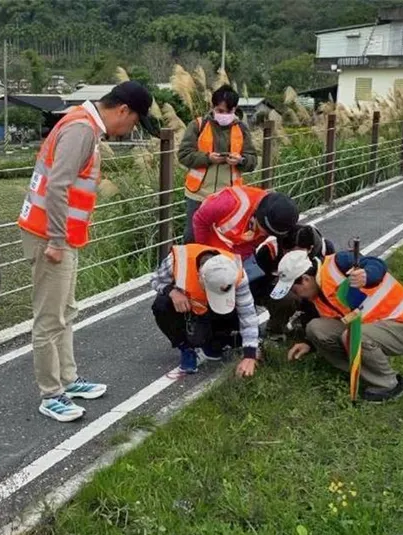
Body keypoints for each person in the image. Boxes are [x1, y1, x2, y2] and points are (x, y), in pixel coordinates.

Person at [18, 81, 161, 422]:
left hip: (62, 236)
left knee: (65, 311)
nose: (130, 130)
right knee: (49, 318)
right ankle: (50, 394)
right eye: (134, 122)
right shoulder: (81, 129)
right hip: (49, 236)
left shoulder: (84, 125)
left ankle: (68, 379)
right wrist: (55, 239)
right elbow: (57, 185)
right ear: (122, 110)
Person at [277, 249, 403, 402]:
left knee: (353, 335)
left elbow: (376, 264)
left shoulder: (339, 262)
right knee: (315, 328)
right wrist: (309, 344)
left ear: (305, 279)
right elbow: (335, 322)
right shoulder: (316, 295)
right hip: (370, 327)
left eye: (295, 289)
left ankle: (389, 385)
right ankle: (361, 373)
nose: (296, 295)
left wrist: (367, 275)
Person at [150, 244, 260, 377]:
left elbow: (247, 313)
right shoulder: (176, 260)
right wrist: (172, 292)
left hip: (214, 311)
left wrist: (250, 354)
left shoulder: (236, 271)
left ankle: (218, 341)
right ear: (200, 276)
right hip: (189, 305)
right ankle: (186, 347)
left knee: (217, 347)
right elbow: (155, 280)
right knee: (161, 304)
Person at [177, 84, 259, 241]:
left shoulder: (241, 129)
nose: (224, 115)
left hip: (229, 196)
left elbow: (252, 160)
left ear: (235, 109)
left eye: (229, 111)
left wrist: (240, 160)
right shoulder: (198, 125)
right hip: (198, 195)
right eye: (220, 111)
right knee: (192, 237)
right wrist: (208, 158)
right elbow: (184, 155)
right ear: (213, 107)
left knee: (224, 238)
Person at [191, 185, 300, 284]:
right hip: (205, 237)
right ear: (258, 214)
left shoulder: (273, 221)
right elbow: (199, 220)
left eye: (268, 233)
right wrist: (205, 253)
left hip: (230, 248)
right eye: (264, 229)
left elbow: (250, 245)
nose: (263, 234)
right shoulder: (229, 203)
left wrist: (235, 261)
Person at [253, 224, 336, 339]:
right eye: (289, 254)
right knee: (288, 298)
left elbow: (331, 281)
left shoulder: (325, 249)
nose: (292, 259)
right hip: (274, 288)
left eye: (298, 255)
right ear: (282, 248)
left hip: (311, 286)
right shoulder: (268, 251)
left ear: (310, 249)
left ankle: (311, 324)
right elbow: (255, 287)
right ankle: (276, 329)